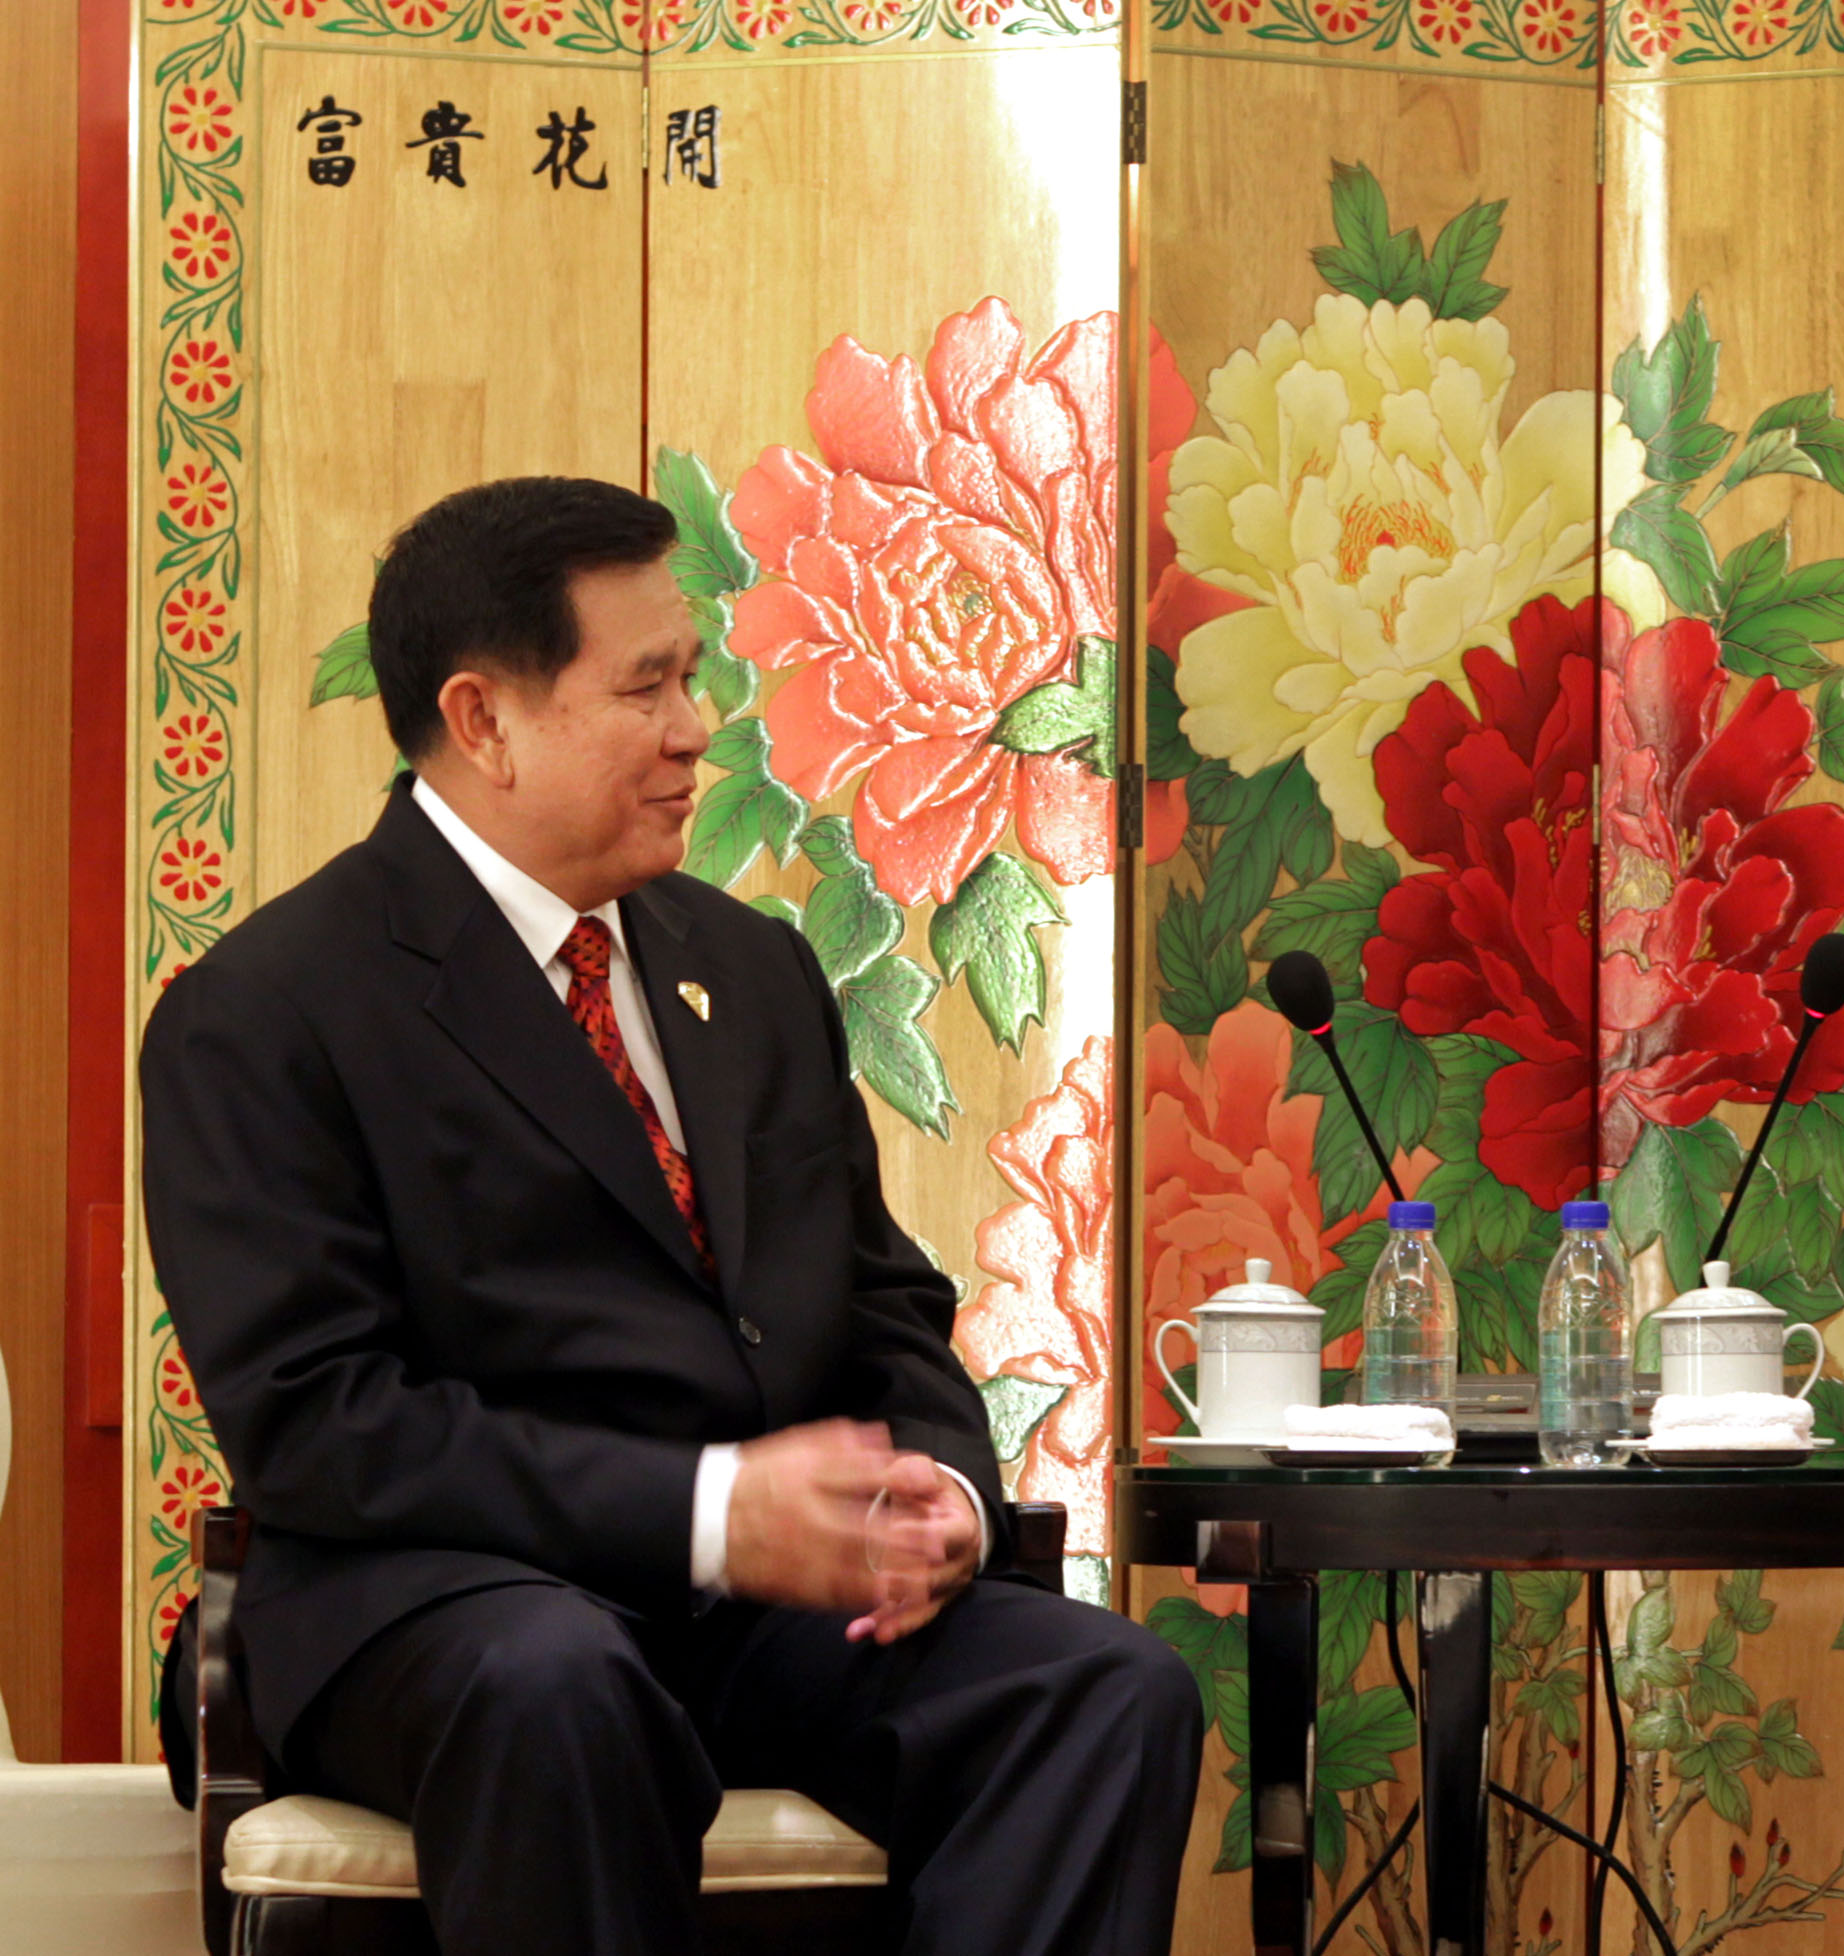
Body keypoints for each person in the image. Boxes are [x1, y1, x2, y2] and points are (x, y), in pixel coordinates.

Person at [141, 476, 1200, 1956]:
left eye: (691, 675)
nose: (699, 726)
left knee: (1104, 1689)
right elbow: (326, 1427)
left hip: (758, 1624)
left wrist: (941, 1496)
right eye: (648, 685)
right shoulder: (266, 1013)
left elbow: (881, 1302)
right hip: (447, 1604)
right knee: (558, 1683)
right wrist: (712, 1516)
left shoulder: (751, 969)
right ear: (485, 718)